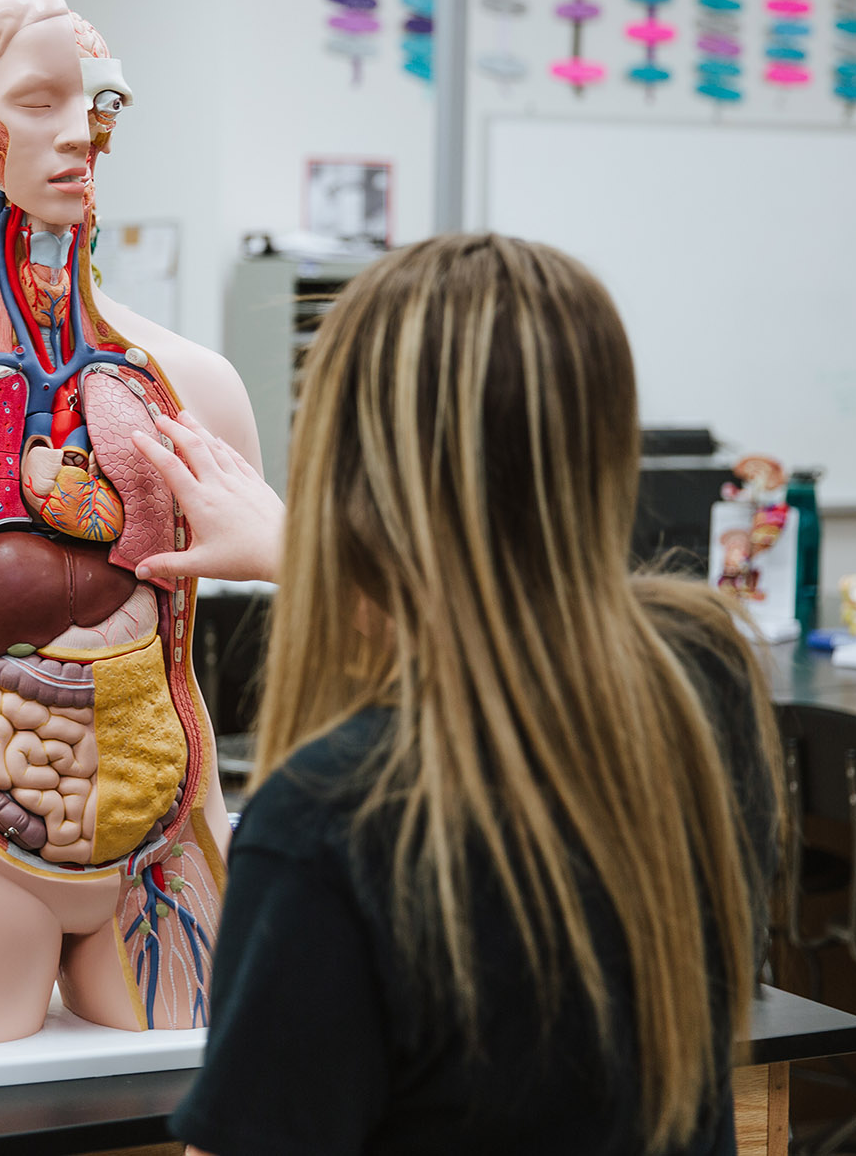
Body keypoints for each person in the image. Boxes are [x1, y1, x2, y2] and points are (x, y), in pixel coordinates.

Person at [130, 234, 780, 1155]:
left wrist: (312, 556)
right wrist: (303, 554)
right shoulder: (701, 680)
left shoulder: (329, 815)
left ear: (353, 476)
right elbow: (523, 631)